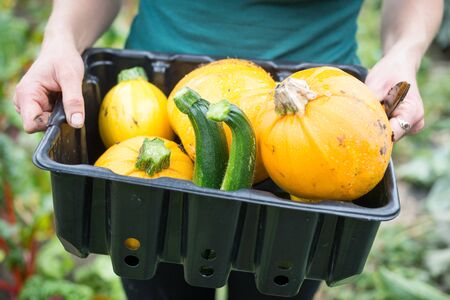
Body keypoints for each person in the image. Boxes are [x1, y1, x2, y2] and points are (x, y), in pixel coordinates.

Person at [14, 0, 443, 299]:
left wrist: (405, 52)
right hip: (162, 105)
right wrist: (60, 38)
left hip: (325, 122)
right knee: (158, 286)